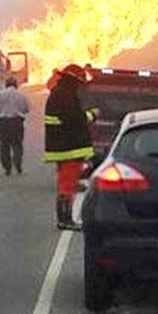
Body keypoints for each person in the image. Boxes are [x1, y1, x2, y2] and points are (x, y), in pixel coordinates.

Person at [44, 64, 98, 231]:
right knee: (67, 185)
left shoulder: (60, 93)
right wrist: (92, 115)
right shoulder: (64, 95)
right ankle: (65, 220)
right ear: (73, 80)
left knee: (66, 184)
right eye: (79, 82)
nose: (80, 86)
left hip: (63, 146)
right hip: (68, 147)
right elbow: (75, 119)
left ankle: (65, 218)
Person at [0, 76, 30, 176]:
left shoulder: (0, 94)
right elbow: (27, 109)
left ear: (6, 84)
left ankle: (7, 168)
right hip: (17, 123)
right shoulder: (21, 95)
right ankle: (18, 164)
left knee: (4, 146)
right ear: (16, 85)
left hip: (3, 124)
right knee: (17, 145)